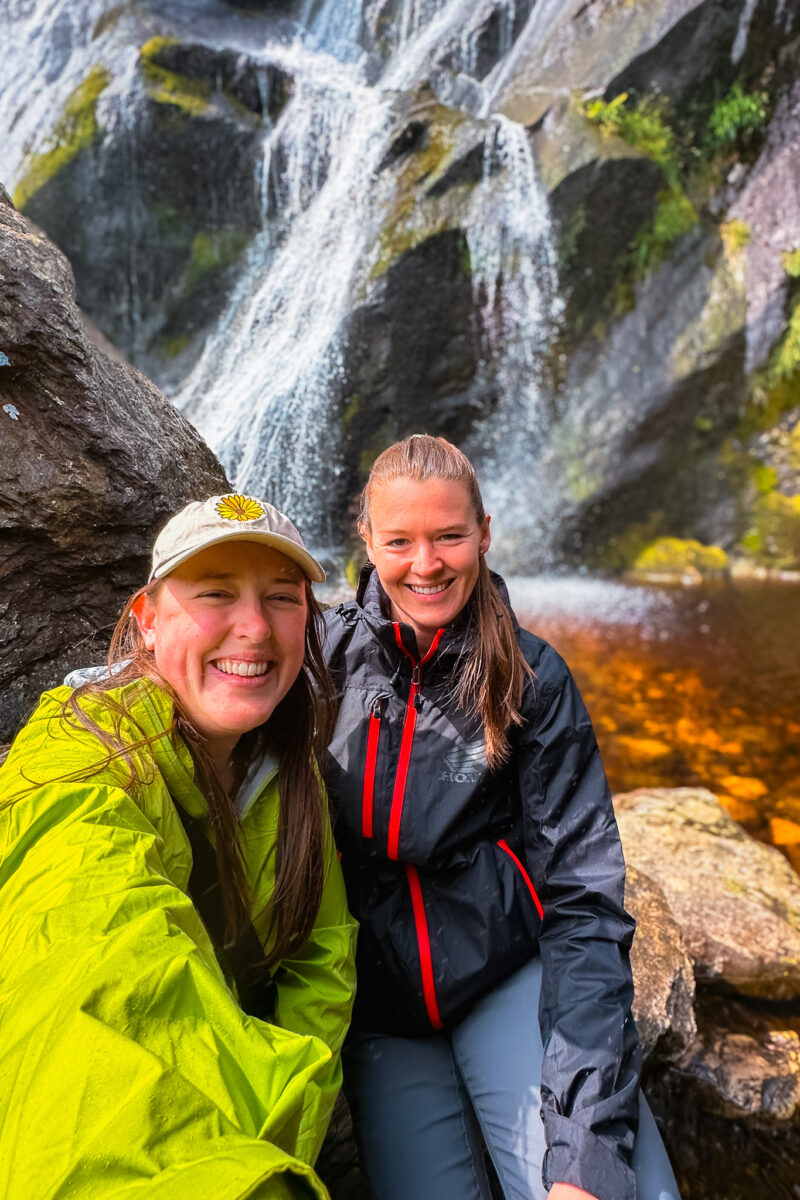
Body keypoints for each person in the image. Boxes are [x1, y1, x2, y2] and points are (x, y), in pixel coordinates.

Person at [323, 436, 680, 1200]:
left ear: (484, 532)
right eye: (401, 542)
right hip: (386, 1014)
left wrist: (582, 1161)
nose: (427, 564)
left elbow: (585, 902)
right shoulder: (320, 664)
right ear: (367, 541)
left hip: (507, 974)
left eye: (450, 536)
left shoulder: (533, 679)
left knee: (613, 1190)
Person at [0, 493, 357, 1200]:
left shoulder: (289, 771)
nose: (254, 628)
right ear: (147, 623)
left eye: (282, 598)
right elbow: (105, 972)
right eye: (216, 594)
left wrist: (277, 1131)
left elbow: (324, 957)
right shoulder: (73, 758)